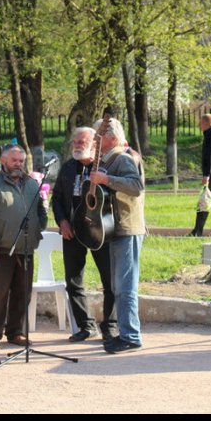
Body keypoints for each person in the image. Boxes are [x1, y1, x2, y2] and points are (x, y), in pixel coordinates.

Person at [0, 144, 47, 353]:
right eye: (14, 160)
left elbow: (40, 210)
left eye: (21, 161)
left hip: (26, 247)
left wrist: (37, 228)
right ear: (4, 161)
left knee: (23, 293)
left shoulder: (32, 184)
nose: (18, 164)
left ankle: (15, 331)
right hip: (2, 249)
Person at [51, 126, 117, 342]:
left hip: (101, 230)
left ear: (95, 144)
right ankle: (85, 325)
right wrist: (62, 222)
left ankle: (111, 325)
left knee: (110, 280)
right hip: (73, 231)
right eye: (75, 142)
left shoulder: (106, 167)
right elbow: (58, 197)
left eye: (82, 141)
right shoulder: (69, 167)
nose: (77, 145)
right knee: (73, 280)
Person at [89, 117, 145, 354]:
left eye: (98, 136)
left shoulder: (122, 157)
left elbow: (136, 186)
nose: (94, 140)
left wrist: (106, 179)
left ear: (110, 137)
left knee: (125, 285)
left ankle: (131, 336)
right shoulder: (107, 158)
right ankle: (125, 333)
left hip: (127, 228)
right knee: (117, 285)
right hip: (113, 228)